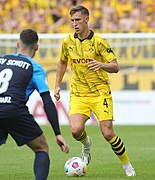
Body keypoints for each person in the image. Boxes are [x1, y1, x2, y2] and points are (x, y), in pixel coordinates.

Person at [0, 29, 69, 180]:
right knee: (42, 148)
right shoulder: (34, 67)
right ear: (36, 47)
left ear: (18, 44)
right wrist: (57, 133)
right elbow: (46, 100)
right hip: (14, 110)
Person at [54, 5, 136, 177]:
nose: (74, 24)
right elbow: (62, 62)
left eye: (77, 20)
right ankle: (86, 143)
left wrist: (101, 65)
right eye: (72, 21)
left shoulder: (99, 41)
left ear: (86, 19)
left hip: (100, 93)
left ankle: (126, 164)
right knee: (75, 130)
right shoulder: (68, 41)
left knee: (107, 133)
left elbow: (115, 67)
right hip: (78, 93)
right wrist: (56, 85)